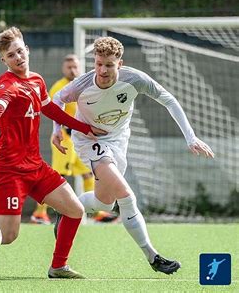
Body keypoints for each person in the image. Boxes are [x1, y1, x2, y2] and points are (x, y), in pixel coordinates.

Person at [0, 26, 106, 279]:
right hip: (9, 170)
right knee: (8, 236)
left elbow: (51, 110)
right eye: (11, 55)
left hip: (35, 166)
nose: (18, 57)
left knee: (75, 210)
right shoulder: (7, 84)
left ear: (27, 50)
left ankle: (58, 267)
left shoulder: (36, 80)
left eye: (20, 51)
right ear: (4, 60)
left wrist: (83, 127)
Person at [52, 36, 214, 275]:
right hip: (90, 142)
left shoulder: (134, 79)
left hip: (118, 141)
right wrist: (57, 131)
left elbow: (168, 99)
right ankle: (153, 257)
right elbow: (57, 99)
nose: (102, 70)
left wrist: (191, 137)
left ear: (120, 63)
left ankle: (66, 207)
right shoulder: (83, 84)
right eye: (98, 64)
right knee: (126, 195)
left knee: (103, 202)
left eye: (108, 65)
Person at [30, 54, 117, 224]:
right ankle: (39, 214)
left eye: (75, 66)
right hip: (65, 138)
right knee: (56, 176)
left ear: (80, 66)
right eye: (69, 66)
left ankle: (98, 214)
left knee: (87, 173)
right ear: (64, 68)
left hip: (81, 140)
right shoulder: (59, 87)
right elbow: (53, 111)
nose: (72, 69)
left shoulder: (85, 84)